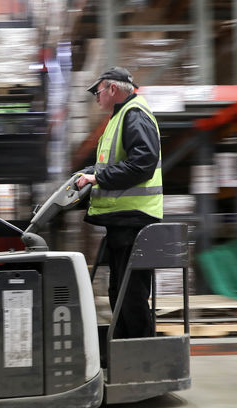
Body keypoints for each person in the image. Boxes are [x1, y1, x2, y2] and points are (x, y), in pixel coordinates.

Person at [75, 67, 162, 338]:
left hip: (134, 220)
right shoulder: (119, 117)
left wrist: (96, 177)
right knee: (119, 292)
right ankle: (124, 351)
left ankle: (142, 358)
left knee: (131, 295)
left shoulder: (134, 114)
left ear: (112, 89)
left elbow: (142, 164)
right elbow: (112, 164)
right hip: (123, 221)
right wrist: (89, 172)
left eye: (97, 91)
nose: (95, 97)